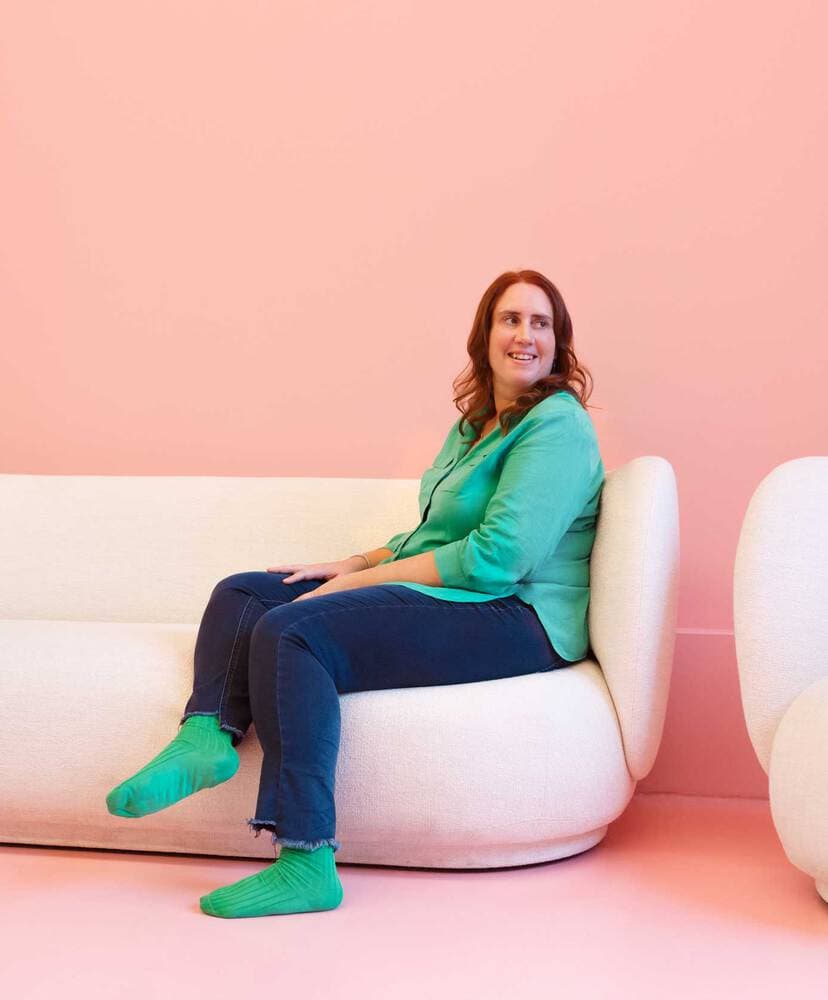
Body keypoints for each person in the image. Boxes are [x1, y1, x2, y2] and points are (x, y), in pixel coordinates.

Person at [105, 269, 605, 919]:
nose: (524, 335)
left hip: (518, 615)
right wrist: (350, 562)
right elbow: (433, 536)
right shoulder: (476, 426)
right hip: (465, 594)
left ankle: (306, 861)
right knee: (246, 595)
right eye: (510, 319)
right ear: (485, 335)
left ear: (558, 342)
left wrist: (356, 584)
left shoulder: (557, 426)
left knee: (293, 630)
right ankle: (206, 738)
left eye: (540, 323)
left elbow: (497, 559)